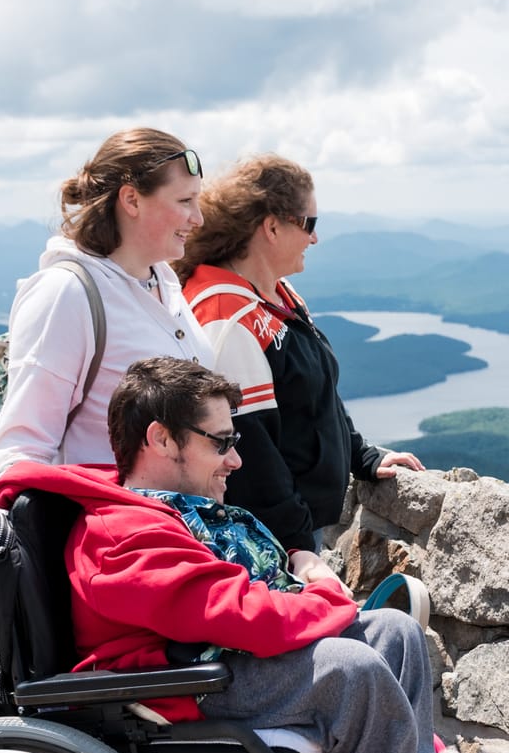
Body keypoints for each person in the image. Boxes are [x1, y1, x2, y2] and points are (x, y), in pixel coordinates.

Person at [0, 357, 456, 753]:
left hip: (221, 662)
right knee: (349, 670)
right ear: (161, 439)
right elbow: (237, 613)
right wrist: (324, 595)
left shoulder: (171, 513)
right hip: (179, 686)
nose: (235, 459)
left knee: (396, 632)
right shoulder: (119, 534)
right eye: (222, 443)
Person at [173, 155, 421, 554]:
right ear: (272, 226)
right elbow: (250, 452)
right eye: (310, 224)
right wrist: (297, 544)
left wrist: (363, 456)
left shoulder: (276, 295)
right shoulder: (227, 316)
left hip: (298, 526)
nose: (315, 238)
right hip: (272, 538)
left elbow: (316, 394)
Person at [0, 129, 215, 488]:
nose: (198, 218)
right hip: (107, 533)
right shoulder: (67, 293)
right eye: (185, 201)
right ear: (132, 200)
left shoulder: (164, 282)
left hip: (176, 530)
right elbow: (21, 448)